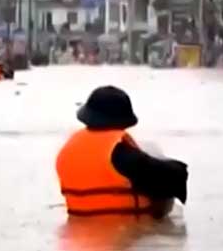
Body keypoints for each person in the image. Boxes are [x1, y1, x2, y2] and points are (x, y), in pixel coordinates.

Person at [55, 86, 188, 219]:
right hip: (127, 228)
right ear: (125, 121)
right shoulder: (123, 154)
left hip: (76, 227)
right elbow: (175, 177)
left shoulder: (67, 149)